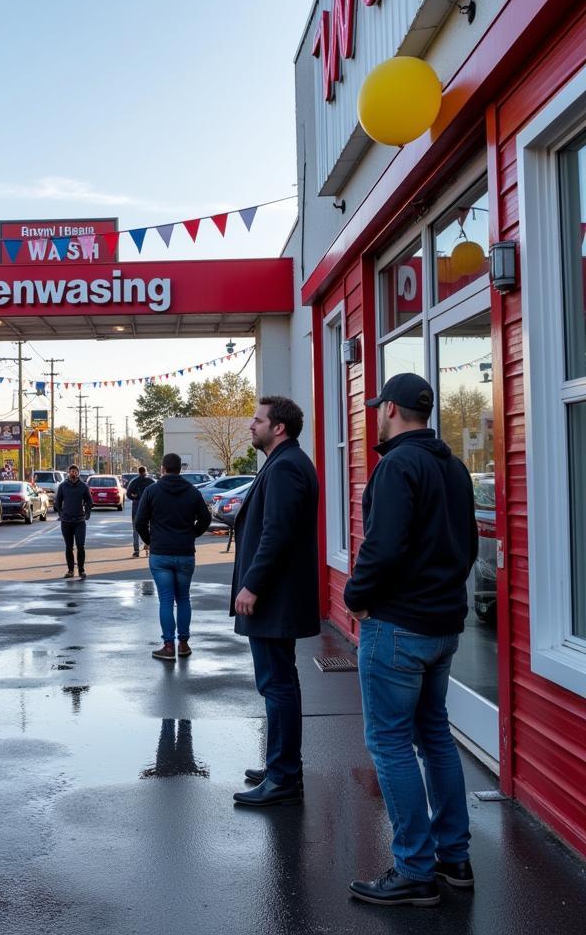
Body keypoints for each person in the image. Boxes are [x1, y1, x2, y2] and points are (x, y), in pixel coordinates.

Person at [345, 373, 478, 908]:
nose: (377, 413)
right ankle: (454, 859)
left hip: (398, 627)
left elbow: (384, 545)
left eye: (380, 407)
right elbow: (466, 545)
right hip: (442, 626)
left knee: (391, 743)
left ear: (394, 410)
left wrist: (355, 595)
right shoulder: (453, 466)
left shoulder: (398, 465)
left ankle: (415, 870)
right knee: (435, 738)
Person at [229, 396, 319, 808]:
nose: (252, 425)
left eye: (258, 420)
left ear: (278, 427)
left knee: (277, 685)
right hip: (276, 596)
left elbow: (276, 533)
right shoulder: (284, 463)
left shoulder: (286, 467)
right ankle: (282, 767)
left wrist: (252, 585)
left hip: (273, 598)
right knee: (279, 683)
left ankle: (283, 778)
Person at [134, 453, 211, 660]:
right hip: (185, 553)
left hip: (160, 554)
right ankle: (183, 644)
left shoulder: (152, 491)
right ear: (180, 469)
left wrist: (150, 540)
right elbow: (206, 519)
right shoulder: (192, 492)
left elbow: (139, 522)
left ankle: (168, 646)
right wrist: (192, 534)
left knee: (166, 600)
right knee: (184, 598)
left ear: (162, 469)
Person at [55, 464, 93, 579]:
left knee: (81, 546)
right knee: (69, 547)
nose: (73, 473)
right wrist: (61, 514)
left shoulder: (83, 486)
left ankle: (81, 570)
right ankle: (70, 570)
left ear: (78, 473)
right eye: (71, 471)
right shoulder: (63, 486)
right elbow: (57, 502)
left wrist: (87, 513)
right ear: (68, 473)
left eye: (75, 471)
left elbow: (89, 501)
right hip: (66, 521)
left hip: (79, 521)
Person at [125, 466, 155, 558]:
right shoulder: (151, 482)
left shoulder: (134, 482)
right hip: (149, 509)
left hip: (137, 508)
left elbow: (128, 494)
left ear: (138, 472)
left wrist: (135, 497)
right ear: (146, 472)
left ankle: (136, 551)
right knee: (150, 529)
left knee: (135, 530)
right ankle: (149, 548)